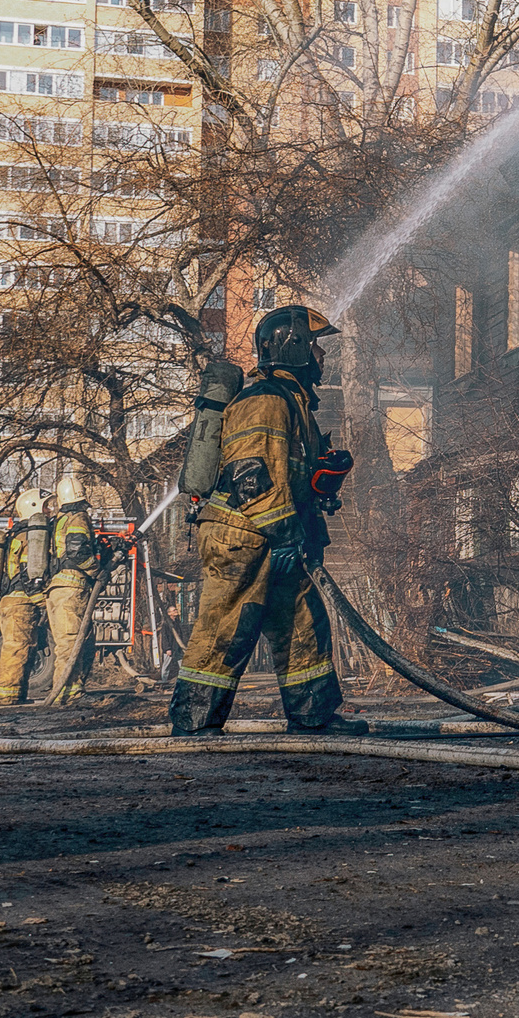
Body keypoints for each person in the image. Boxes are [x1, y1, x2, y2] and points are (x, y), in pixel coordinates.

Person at [169, 305, 358, 735]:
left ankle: (313, 717)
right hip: (243, 536)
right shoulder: (267, 400)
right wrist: (285, 532)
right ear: (291, 347)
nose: (320, 356)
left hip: (271, 536)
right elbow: (250, 474)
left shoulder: (292, 402)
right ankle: (194, 723)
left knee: (303, 621)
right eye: (313, 346)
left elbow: (285, 474)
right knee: (226, 627)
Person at [42, 480, 106, 707]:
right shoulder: (78, 517)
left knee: (74, 642)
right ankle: (67, 695)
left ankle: (72, 691)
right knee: (70, 643)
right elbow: (77, 550)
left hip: (57, 588)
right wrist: (97, 570)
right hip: (72, 587)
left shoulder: (57, 521)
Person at [0, 484, 54, 704]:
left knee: (23, 647)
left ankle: (16, 696)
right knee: (16, 647)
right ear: (34, 508)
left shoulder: (17, 533)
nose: (49, 511)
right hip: (20, 600)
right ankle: (7, 699)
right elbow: (28, 572)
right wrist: (40, 600)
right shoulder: (30, 536)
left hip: (12, 600)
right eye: (46, 507)